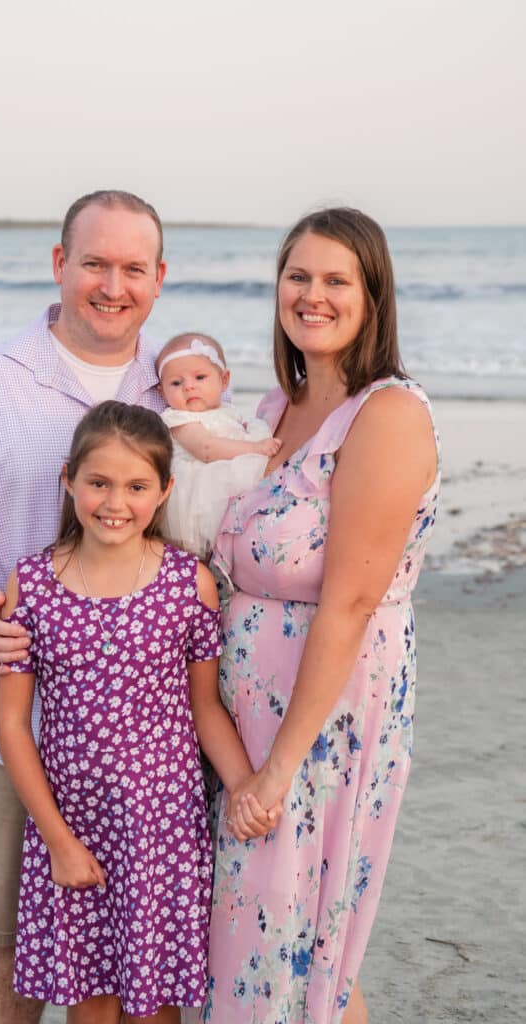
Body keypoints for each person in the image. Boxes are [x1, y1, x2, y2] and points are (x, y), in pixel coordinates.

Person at [0, 190, 170, 1024]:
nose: (111, 284)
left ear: (159, 279)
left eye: (132, 267)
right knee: (11, 936)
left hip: (150, 743)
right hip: (10, 720)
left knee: (144, 941)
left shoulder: (182, 389)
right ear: (60, 265)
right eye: (95, 262)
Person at [198, 208, 441, 1024]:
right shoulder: (273, 408)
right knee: (284, 942)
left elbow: (348, 601)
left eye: (336, 280)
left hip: (322, 721)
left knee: (297, 943)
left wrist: (276, 769)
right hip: (241, 715)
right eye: (297, 276)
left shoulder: (388, 414)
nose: (312, 295)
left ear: (372, 296)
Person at [0, 401, 279, 1023]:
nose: (114, 502)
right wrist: (58, 840)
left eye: (136, 486)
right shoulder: (32, 584)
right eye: (98, 482)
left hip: (162, 831)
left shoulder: (188, 584)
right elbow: (14, 725)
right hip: (73, 825)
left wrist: (242, 787)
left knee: (155, 1004)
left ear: (165, 490)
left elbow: (204, 707)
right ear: (68, 479)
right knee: (91, 1001)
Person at [157, 332, 281, 560]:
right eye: (176, 382)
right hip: (199, 493)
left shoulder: (228, 412)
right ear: (162, 391)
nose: (189, 387)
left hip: (226, 483)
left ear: (224, 381)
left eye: (200, 378)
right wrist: (256, 448)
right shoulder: (179, 419)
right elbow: (206, 449)